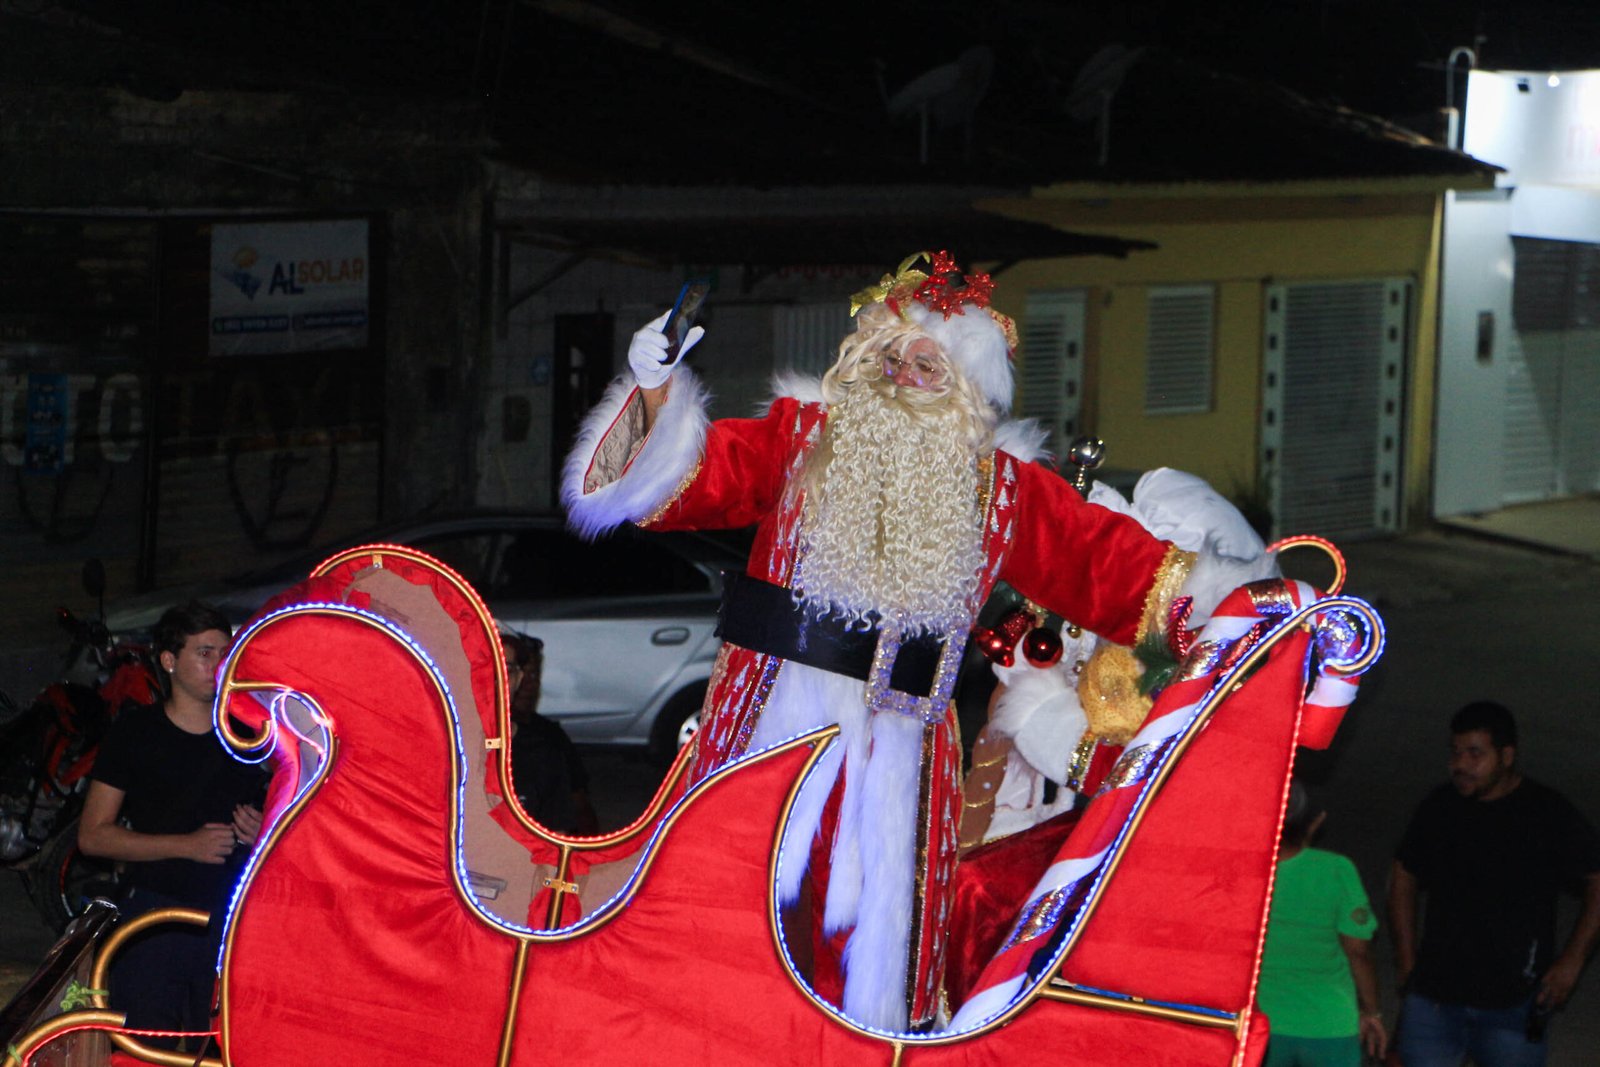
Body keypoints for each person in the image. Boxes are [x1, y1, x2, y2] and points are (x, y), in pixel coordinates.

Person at [562, 250, 1260, 1030]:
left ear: (968, 387)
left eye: (927, 360)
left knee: (869, 963)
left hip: (897, 758)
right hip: (760, 733)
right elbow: (672, 488)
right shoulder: (801, 440)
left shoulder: (1005, 493)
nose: (902, 373)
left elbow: (1123, 574)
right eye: (889, 356)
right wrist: (656, 393)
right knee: (720, 928)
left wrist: (1263, 617)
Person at [78, 601, 267, 1045]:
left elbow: (293, 819)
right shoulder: (136, 733)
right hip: (155, 919)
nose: (219, 665)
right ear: (169, 660)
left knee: (227, 1047)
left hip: (233, 919)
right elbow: (93, 836)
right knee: (148, 1049)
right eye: (205, 653)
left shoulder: (251, 734)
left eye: (225, 652)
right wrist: (186, 845)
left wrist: (263, 833)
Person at [1388, 700, 1600, 1067]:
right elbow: (1404, 874)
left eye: (1475, 754)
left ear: (1506, 756)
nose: (1461, 765)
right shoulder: (1440, 807)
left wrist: (1571, 962)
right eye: (1455, 753)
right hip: (1435, 996)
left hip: (1514, 1003)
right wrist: (1407, 963)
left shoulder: (1545, 812)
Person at [1257, 781, 1385, 1067]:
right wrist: (1372, 1012)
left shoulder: (1245, 871)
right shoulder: (1337, 870)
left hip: (1261, 1027)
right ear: (1316, 822)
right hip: (1331, 1026)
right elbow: (1358, 952)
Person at [500, 631, 599, 836]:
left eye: (506, 670)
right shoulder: (445, 745)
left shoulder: (544, 750)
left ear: (518, 678)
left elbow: (562, 829)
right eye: (486, 668)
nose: (496, 680)